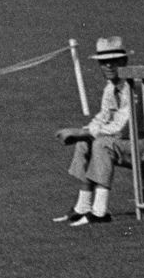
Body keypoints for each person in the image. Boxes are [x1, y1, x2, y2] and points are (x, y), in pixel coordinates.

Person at [56, 35, 134, 226]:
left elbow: (121, 127)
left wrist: (82, 132)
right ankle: (82, 207)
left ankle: (100, 212)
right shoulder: (110, 88)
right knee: (86, 141)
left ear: (124, 61)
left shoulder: (134, 87)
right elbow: (102, 118)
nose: (108, 66)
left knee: (101, 143)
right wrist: (82, 133)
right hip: (131, 142)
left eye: (113, 61)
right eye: (103, 62)